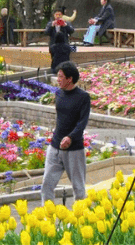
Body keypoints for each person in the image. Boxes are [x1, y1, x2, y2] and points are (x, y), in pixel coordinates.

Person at [41, 61, 91, 206]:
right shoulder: (59, 93)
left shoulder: (83, 97)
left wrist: (70, 137)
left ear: (69, 79)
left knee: (79, 188)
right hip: (55, 147)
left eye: (61, 76)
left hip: (74, 149)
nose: (58, 79)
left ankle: (81, 220)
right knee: (47, 185)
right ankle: (47, 217)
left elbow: (82, 123)